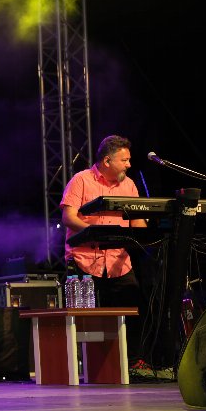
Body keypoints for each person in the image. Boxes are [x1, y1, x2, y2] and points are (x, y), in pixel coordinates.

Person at [60, 135, 147, 357]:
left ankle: (132, 362)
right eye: (124, 160)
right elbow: (68, 217)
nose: (129, 164)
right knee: (87, 320)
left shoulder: (129, 185)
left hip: (119, 262)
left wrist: (151, 233)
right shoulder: (81, 180)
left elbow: (137, 221)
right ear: (107, 161)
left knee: (133, 311)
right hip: (84, 261)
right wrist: (96, 234)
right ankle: (84, 363)